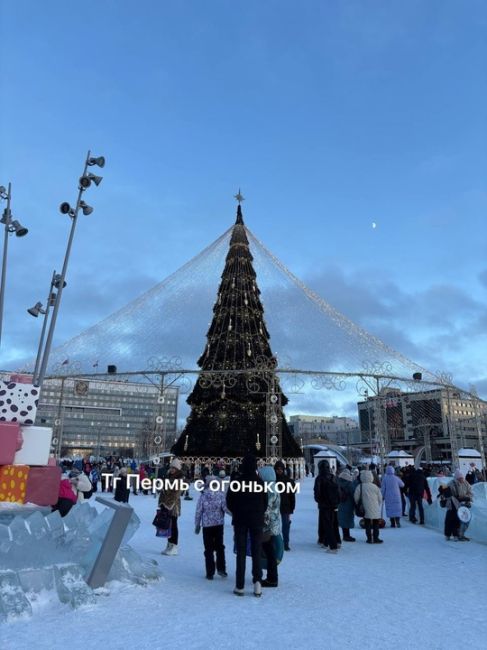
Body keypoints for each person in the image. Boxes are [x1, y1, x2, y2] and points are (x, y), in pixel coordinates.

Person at [226, 454, 267, 597]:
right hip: (256, 521)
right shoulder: (260, 483)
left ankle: (240, 585)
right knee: (256, 551)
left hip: (240, 520)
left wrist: (237, 512)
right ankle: (257, 583)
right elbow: (265, 502)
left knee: (241, 552)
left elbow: (229, 502)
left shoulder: (237, 482)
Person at [195, 474, 227, 579]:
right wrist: (235, 514)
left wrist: (197, 524)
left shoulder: (203, 496)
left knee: (208, 549)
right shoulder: (221, 495)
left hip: (207, 526)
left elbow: (199, 511)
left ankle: (210, 572)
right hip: (219, 524)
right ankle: (221, 568)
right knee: (220, 547)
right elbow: (225, 508)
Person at [258, 465, 281, 587]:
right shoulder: (274, 487)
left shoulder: (268, 489)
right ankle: (272, 577)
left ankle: (272, 578)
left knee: (269, 552)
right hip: (274, 523)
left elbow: (266, 509)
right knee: (270, 551)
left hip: (268, 526)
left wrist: (263, 526)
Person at [159, 458, 185, 556]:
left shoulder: (179, 478)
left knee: (173, 525)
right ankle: (169, 544)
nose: (172, 469)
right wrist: (162, 502)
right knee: (168, 525)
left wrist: (167, 504)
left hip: (173, 506)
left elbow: (176, 494)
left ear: (177, 469)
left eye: (174, 468)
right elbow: (164, 490)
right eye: (171, 467)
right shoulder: (168, 476)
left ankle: (174, 546)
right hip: (166, 504)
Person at [314, 460, 341, 553]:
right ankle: (337, 541)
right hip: (334, 504)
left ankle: (332, 546)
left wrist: (320, 500)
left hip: (324, 505)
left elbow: (317, 494)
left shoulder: (319, 478)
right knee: (334, 523)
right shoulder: (333, 477)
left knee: (327, 524)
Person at [354, 469, 383, 544]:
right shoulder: (375, 487)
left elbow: (356, 497)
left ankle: (369, 538)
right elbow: (380, 498)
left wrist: (358, 504)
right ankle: (376, 538)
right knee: (376, 523)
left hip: (365, 508)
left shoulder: (359, 486)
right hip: (375, 507)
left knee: (367, 523)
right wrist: (377, 504)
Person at [447, 470, 474, 541]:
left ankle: (461, 534)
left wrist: (467, 498)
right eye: (460, 478)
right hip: (454, 505)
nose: (462, 479)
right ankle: (457, 534)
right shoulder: (451, 484)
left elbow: (471, 492)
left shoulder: (466, 483)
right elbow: (448, 495)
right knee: (457, 520)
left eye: (462, 478)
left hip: (464, 504)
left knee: (466, 520)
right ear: (456, 478)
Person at [274, 460, 295, 551]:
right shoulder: (272, 481)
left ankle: (286, 543)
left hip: (285, 506)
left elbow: (292, 495)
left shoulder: (288, 481)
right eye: (277, 469)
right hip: (274, 506)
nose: (279, 470)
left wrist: (292, 507)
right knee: (274, 526)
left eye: (281, 469)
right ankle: (275, 543)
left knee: (285, 526)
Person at [337, 466, 357, 541]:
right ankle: (347, 536)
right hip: (348, 504)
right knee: (347, 519)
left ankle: (345, 535)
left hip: (340, 503)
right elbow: (353, 493)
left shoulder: (337, 482)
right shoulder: (349, 484)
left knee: (342, 519)